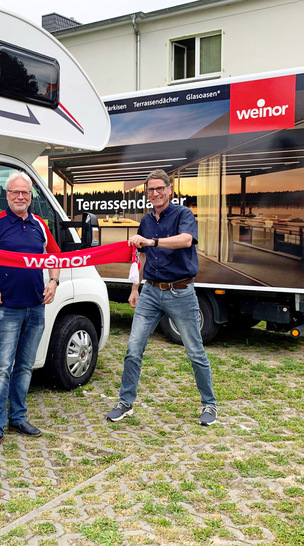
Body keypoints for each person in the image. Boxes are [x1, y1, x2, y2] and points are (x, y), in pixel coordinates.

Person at [106, 169, 217, 426]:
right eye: (150, 190)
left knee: (195, 351)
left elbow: (186, 240)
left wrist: (152, 241)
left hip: (180, 291)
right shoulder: (146, 220)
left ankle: (209, 405)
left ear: (169, 189)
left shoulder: (183, 214)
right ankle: (125, 402)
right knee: (133, 349)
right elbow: (141, 257)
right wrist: (135, 288)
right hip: (150, 292)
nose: (154, 193)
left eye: (159, 188)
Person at [0, 171, 60, 453]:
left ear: (31, 196)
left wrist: (54, 280)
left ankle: (18, 418)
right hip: (6, 310)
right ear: (6, 195)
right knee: (2, 369)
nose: (20, 197)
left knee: (25, 367)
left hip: (35, 309)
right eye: (15, 192)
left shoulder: (39, 224)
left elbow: (55, 256)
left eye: (25, 193)